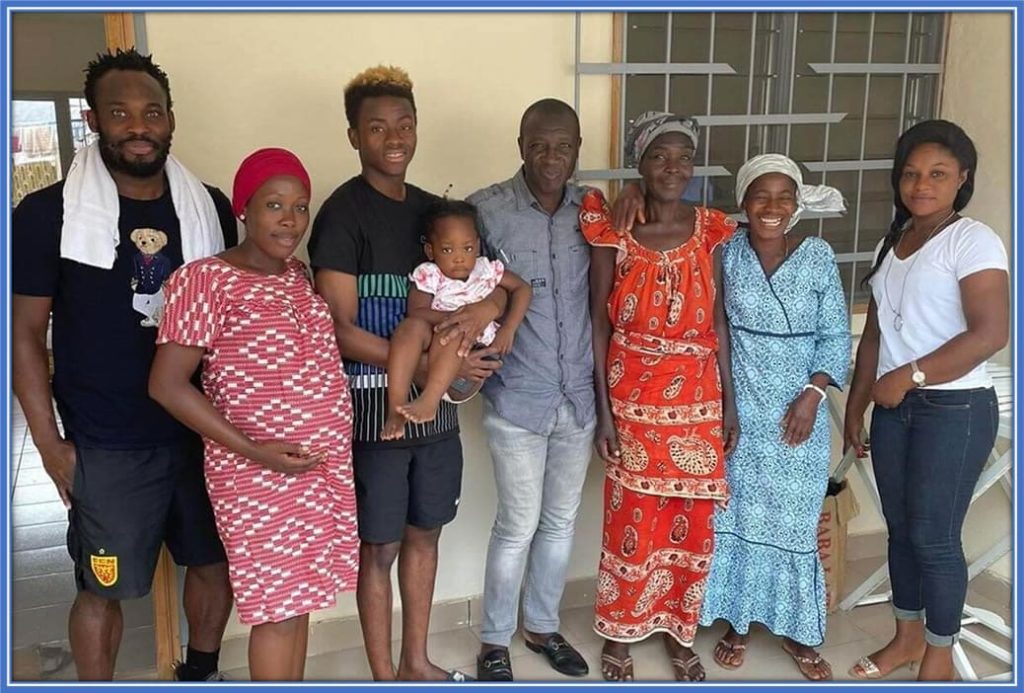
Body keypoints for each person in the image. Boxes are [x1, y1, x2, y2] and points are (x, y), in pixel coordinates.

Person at [11, 48, 235, 681]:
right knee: (102, 585)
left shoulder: (210, 207)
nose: (139, 126)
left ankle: (202, 672)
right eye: (120, 112)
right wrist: (52, 445)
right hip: (107, 442)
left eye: (152, 112)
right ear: (93, 120)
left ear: (170, 120)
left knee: (212, 564)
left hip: (202, 432)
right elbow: (25, 335)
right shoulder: (46, 215)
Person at [308, 65, 503, 682]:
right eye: (377, 127)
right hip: (374, 416)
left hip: (438, 415)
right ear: (353, 136)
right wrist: (425, 363)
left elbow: (495, 287)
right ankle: (383, 676)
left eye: (404, 124)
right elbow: (337, 329)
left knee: (426, 535)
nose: (393, 137)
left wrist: (485, 314)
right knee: (381, 548)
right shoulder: (342, 214)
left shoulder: (435, 215)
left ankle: (416, 663)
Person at [149, 148, 360, 680]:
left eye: (300, 206)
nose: (290, 220)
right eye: (274, 205)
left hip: (316, 469)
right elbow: (167, 385)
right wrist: (255, 450)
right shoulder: (204, 280)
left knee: (299, 602)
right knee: (276, 612)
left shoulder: (297, 276)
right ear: (243, 209)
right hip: (256, 473)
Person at [844, 120, 1008, 681]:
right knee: (901, 531)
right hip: (895, 410)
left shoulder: (974, 240)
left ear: (962, 178)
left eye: (938, 174)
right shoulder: (895, 239)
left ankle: (938, 655)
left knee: (934, 538)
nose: (922, 184)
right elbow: (875, 335)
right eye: (911, 173)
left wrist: (911, 377)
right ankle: (906, 639)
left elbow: (989, 333)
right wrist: (856, 404)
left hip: (954, 410)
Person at [584, 111, 738, 682]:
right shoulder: (611, 228)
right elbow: (598, 321)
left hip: (698, 396)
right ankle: (619, 636)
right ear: (640, 165)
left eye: (682, 157)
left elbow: (718, 318)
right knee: (632, 518)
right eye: (657, 157)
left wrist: (730, 403)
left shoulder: (712, 229)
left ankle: (677, 631)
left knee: (691, 520)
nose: (672, 168)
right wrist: (603, 412)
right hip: (631, 395)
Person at [696, 154, 850, 680]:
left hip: (798, 412)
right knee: (736, 516)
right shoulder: (725, 252)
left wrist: (813, 393)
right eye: (761, 195)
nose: (773, 207)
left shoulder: (818, 256)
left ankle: (798, 632)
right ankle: (739, 621)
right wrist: (723, 405)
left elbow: (834, 336)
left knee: (793, 523)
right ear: (743, 201)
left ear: (798, 204)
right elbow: (713, 328)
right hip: (740, 404)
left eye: (785, 196)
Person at [467, 98, 595, 681]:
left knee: (560, 522)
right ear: (521, 146)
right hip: (519, 396)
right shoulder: (485, 213)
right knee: (516, 526)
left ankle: (541, 627)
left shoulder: (593, 210)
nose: (551, 157)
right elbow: (462, 293)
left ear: (576, 150)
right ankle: (494, 640)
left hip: (580, 397)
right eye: (539, 145)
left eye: (562, 146)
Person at [381, 199, 531, 440]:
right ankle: (396, 409)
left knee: (455, 331)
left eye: (467, 248)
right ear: (431, 251)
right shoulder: (429, 273)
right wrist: (456, 317)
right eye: (448, 250)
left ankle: (429, 401)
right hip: (436, 336)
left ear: (478, 247)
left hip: (471, 358)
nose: (459, 258)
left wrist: (509, 328)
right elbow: (417, 311)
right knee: (409, 328)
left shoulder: (487, 270)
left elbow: (523, 289)